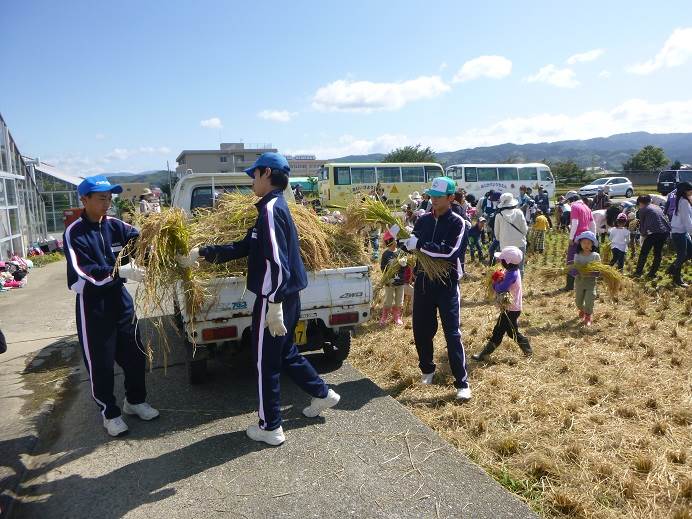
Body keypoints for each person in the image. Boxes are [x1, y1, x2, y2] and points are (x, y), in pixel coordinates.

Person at [177, 153, 340, 446]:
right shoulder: (272, 207)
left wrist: (274, 303)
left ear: (267, 173)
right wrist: (203, 252)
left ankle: (271, 427)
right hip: (285, 297)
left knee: (265, 363)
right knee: (286, 351)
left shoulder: (270, 210)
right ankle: (322, 394)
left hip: (273, 298)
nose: (251, 180)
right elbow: (245, 247)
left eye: (254, 175)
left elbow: (278, 263)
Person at [63, 175, 157, 437]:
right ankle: (109, 412)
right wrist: (120, 271)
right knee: (101, 363)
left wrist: (158, 246)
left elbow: (141, 243)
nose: (107, 203)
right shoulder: (75, 232)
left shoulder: (117, 226)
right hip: (93, 304)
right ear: (85, 199)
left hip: (119, 299)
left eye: (110, 198)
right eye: (101, 198)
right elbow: (84, 271)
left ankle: (135, 401)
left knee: (135, 354)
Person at [399, 176, 470, 401]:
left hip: (447, 283)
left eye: (439, 197)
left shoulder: (458, 223)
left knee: (452, 333)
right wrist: (404, 242)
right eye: (432, 196)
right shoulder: (423, 220)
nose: (434, 200)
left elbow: (450, 252)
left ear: (450, 198)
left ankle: (462, 383)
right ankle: (427, 370)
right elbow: (414, 247)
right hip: (423, 282)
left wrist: (419, 245)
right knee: (421, 330)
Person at [472, 246, 531, 361]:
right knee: (511, 332)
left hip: (511, 309)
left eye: (501, 260)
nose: (499, 261)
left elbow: (500, 288)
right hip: (512, 308)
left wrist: (494, 283)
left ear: (507, 262)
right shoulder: (513, 271)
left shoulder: (512, 274)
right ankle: (527, 349)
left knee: (499, 331)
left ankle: (484, 354)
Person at [633, 194, 671, 279]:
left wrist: (642, 235)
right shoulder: (657, 207)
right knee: (657, 253)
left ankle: (638, 273)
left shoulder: (643, 210)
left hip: (654, 233)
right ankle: (652, 273)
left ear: (640, 203)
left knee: (644, 253)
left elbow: (643, 225)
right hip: (664, 231)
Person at [563, 194, 595, 291]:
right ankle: (582, 284)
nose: (569, 204)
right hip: (586, 237)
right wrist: (593, 238)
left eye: (569, 202)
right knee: (583, 259)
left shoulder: (575, 206)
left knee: (571, 260)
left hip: (577, 238)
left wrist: (571, 238)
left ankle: (569, 286)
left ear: (572, 200)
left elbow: (575, 223)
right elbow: (592, 224)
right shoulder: (587, 207)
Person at [493, 193, 528, 275]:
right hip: (519, 243)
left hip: (505, 245)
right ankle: (519, 285)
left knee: (506, 268)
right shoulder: (519, 213)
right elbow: (525, 230)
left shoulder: (498, 215)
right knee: (520, 267)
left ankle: (508, 285)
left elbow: (496, 235)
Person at [379, 233, 410, 325]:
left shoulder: (401, 252)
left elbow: (405, 267)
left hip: (400, 281)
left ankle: (397, 317)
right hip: (390, 282)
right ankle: (384, 317)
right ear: (391, 242)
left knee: (399, 301)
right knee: (388, 301)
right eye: (394, 241)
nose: (396, 242)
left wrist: (404, 264)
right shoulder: (386, 254)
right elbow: (383, 268)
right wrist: (388, 278)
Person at [571, 231, 600, 326]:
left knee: (589, 299)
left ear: (592, 244)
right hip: (580, 282)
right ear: (580, 243)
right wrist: (577, 271)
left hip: (590, 282)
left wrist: (592, 272)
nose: (586, 245)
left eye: (588, 243)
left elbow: (598, 271)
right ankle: (582, 309)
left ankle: (588, 316)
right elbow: (575, 269)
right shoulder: (577, 256)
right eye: (584, 243)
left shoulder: (596, 256)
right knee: (578, 302)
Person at [668, 181, 692, 287]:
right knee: (682, 255)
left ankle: (672, 268)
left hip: (682, 232)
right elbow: (687, 220)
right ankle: (677, 279)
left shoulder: (683, 200)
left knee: (689, 253)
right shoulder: (683, 202)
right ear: (685, 191)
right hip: (679, 233)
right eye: (690, 189)